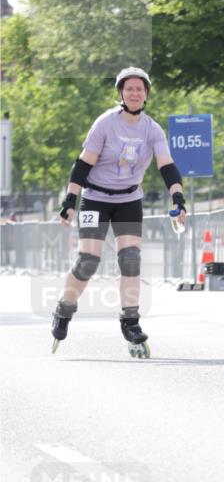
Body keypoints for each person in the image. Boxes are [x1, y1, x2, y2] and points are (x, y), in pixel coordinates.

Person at [51, 67, 187, 357]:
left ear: (146, 94)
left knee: (131, 258)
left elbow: (166, 165)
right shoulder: (105, 124)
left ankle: (131, 321)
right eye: (130, 89)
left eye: (140, 89)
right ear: (121, 94)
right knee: (88, 261)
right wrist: (69, 201)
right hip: (96, 198)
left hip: (128, 198)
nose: (135, 93)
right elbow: (83, 164)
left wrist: (178, 198)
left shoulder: (152, 129)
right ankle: (64, 308)